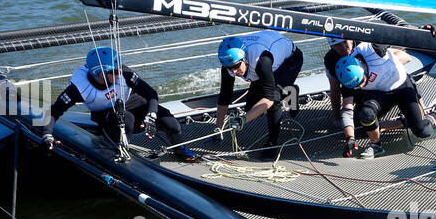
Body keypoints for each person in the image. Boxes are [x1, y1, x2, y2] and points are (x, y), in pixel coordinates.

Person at [39, 46, 197, 163]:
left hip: (133, 103)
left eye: (119, 68)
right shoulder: (79, 88)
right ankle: (119, 153)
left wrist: (151, 115)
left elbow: (151, 93)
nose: (120, 72)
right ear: (101, 74)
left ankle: (179, 148)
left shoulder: (124, 73)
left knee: (171, 124)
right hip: (107, 113)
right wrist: (47, 134)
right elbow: (54, 111)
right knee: (127, 120)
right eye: (115, 71)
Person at [333, 44, 436, 158]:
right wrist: (350, 138)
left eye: (362, 81)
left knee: (423, 131)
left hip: (402, 86)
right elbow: (347, 109)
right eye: (357, 86)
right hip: (379, 93)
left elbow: (398, 37)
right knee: (364, 119)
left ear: (362, 66)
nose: (360, 86)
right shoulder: (347, 77)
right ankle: (376, 145)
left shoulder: (372, 50)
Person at [214, 31, 304, 151]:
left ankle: (273, 144)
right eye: (229, 68)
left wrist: (243, 119)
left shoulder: (261, 60)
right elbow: (225, 96)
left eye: (236, 66)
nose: (234, 72)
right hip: (266, 59)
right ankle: (290, 91)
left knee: (274, 99)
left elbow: (269, 99)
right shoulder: (229, 63)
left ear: (245, 58)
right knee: (251, 108)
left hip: (290, 59)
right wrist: (218, 130)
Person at [324, 36, 361, 157]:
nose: (344, 47)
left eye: (345, 42)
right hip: (350, 85)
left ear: (351, 39)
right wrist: (336, 116)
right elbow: (334, 90)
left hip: (374, 84)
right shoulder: (330, 59)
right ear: (332, 47)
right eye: (338, 45)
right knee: (359, 125)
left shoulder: (364, 46)